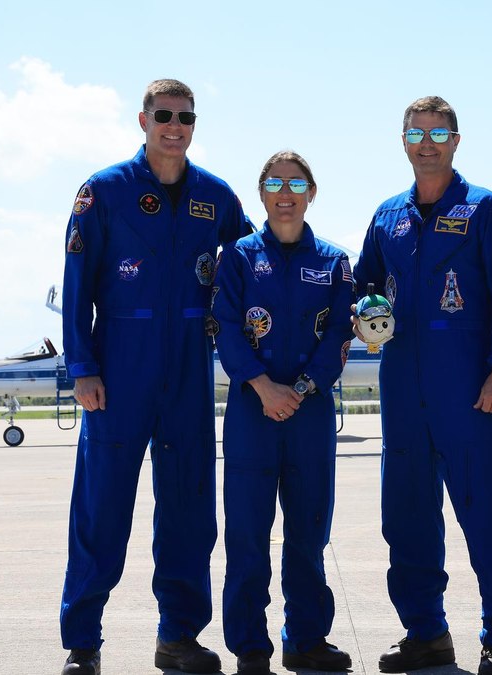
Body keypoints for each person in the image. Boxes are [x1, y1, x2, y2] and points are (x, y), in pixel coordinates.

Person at [58, 78, 253, 675]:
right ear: (142, 120)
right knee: (102, 509)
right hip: (120, 367)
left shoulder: (215, 196)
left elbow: (256, 262)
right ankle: (83, 643)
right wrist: (83, 368)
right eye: (164, 115)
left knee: (189, 509)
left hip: (189, 367)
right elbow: (76, 288)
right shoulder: (103, 192)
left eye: (185, 118)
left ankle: (179, 637)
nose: (175, 126)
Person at [353, 96, 492, 675]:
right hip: (402, 381)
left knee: (484, 512)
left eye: (437, 133)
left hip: (467, 383)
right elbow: (363, 284)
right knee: (405, 516)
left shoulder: (484, 209)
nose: (426, 143)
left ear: (456, 140)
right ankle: (425, 632)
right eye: (416, 133)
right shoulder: (387, 215)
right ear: (403, 141)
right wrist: (362, 311)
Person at [212, 150, 356, 675]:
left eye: (296, 184)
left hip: (309, 411)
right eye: (275, 183)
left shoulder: (335, 262)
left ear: (311, 193)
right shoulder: (238, 258)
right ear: (262, 194)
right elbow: (225, 326)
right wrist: (262, 386)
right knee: (248, 534)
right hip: (252, 412)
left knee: (309, 532)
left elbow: (340, 333)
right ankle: (250, 645)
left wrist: (300, 388)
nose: (286, 193)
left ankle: (306, 639)